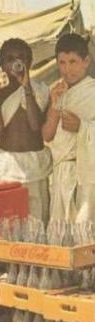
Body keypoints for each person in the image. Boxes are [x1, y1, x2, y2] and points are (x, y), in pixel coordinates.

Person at [0, 38, 52, 223]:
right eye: (9, 59)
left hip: (35, 165)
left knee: (37, 218)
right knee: (9, 220)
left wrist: (26, 87)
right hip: (8, 164)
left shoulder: (40, 89)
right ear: (2, 64)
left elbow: (34, 125)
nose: (16, 63)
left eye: (21, 58)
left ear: (29, 62)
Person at [42, 33, 95, 226]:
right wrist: (55, 105)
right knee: (60, 232)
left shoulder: (92, 91)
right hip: (61, 173)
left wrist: (83, 126)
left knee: (86, 235)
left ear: (86, 61)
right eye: (62, 63)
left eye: (73, 62)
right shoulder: (57, 91)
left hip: (88, 177)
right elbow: (47, 135)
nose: (67, 69)